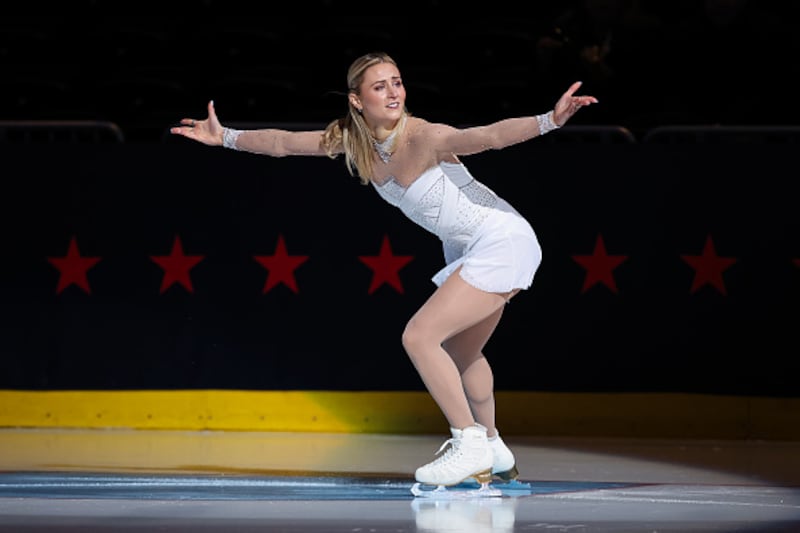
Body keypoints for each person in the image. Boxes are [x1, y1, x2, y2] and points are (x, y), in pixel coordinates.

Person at [170, 51, 598, 489]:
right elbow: (283, 143)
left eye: (397, 82)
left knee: (420, 336)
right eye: (380, 86)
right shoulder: (353, 141)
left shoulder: (423, 136)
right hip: (472, 247)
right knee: (462, 353)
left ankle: (466, 441)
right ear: (357, 100)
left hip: (501, 241)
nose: (394, 92)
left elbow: (487, 136)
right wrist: (225, 138)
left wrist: (550, 119)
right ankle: (492, 445)